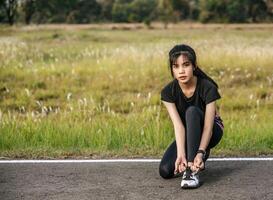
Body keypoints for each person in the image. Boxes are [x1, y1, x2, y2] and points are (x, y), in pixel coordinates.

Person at [159, 44, 224, 189]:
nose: (181, 71)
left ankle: (191, 171)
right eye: (176, 66)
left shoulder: (208, 87)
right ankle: (190, 157)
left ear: (194, 66)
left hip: (212, 130)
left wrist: (200, 152)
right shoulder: (168, 92)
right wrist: (181, 154)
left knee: (192, 111)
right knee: (165, 171)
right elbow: (179, 126)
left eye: (186, 65)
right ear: (172, 69)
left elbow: (208, 127)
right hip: (190, 132)